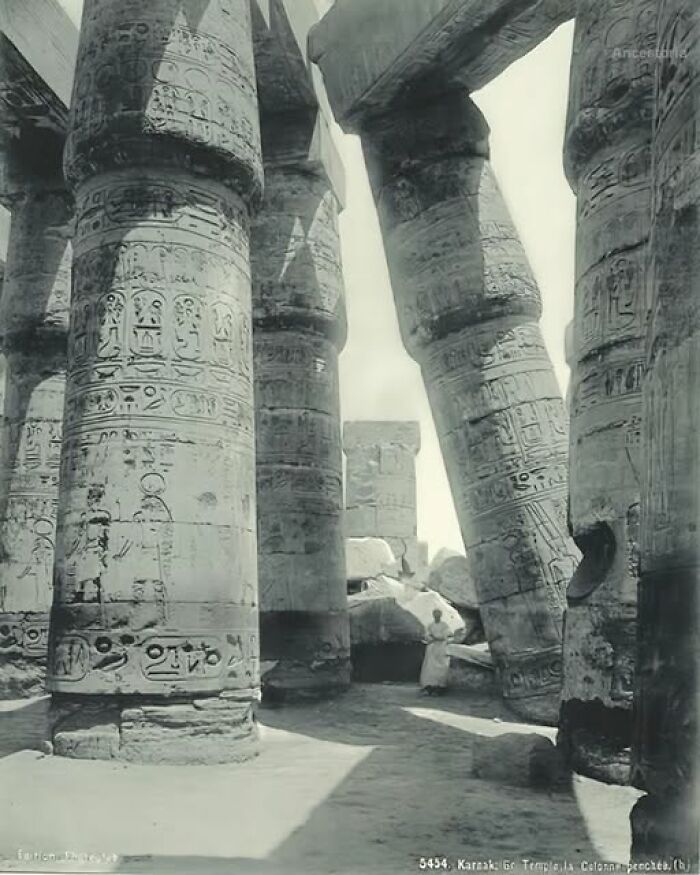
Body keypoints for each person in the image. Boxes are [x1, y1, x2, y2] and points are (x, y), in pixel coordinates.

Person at [420, 608, 451, 695]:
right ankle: (429, 687)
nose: (437, 616)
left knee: (441, 667)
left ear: (441, 615)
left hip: (441, 648)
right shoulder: (430, 625)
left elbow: (444, 636)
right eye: (435, 614)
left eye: (438, 614)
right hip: (432, 648)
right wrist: (431, 638)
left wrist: (435, 636)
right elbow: (427, 636)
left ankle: (439, 687)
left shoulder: (444, 625)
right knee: (430, 667)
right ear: (433, 615)